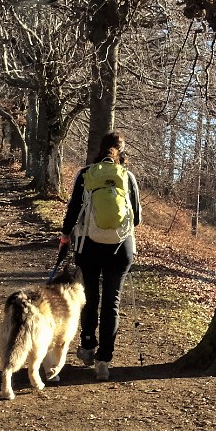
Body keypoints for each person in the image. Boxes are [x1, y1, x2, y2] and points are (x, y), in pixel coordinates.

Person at [59, 130, 142, 382]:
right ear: (122, 153)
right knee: (112, 302)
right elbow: (136, 218)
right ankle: (104, 361)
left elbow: (73, 209)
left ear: (100, 149)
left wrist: (65, 236)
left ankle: (87, 346)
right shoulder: (127, 177)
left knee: (90, 297)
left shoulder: (85, 174)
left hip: (89, 245)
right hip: (121, 247)